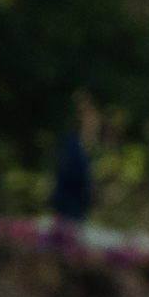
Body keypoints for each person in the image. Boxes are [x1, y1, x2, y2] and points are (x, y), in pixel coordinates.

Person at [48, 93, 97, 227]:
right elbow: (69, 174)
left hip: (75, 206)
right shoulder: (71, 145)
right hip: (68, 206)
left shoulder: (81, 147)